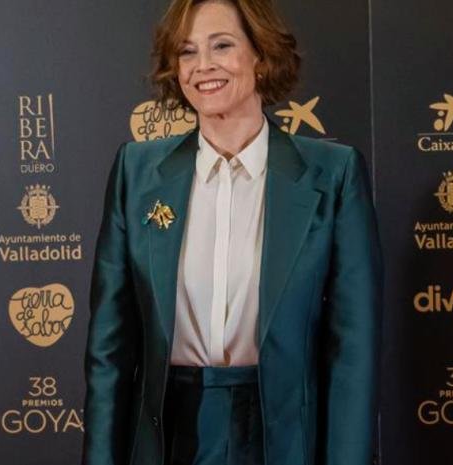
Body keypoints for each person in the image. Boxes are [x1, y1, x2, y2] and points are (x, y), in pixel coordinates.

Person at [83, 0, 382, 464]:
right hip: (168, 437)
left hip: (283, 439)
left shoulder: (332, 174)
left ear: (261, 55)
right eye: (187, 52)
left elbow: (353, 353)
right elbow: (110, 351)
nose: (203, 65)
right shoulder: (135, 173)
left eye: (221, 45)